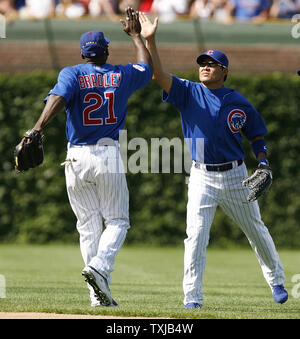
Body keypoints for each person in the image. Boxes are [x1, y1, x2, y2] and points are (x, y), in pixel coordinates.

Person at [139, 12, 288, 308]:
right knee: (194, 236)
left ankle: (276, 281)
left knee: (256, 231)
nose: (205, 67)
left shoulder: (238, 101)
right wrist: (150, 40)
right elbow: (157, 74)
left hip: (236, 175)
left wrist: (263, 161)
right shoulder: (187, 92)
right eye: (202, 64)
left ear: (224, 71)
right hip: (201, 176)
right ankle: (192, 298)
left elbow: (257, 135)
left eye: (211, 64)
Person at [23, 7, 152, 307]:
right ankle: (100, 269)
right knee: (118, 221)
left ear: (83, 54)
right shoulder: (120, 74)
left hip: (76, 158)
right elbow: (147, 68)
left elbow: (57, 99)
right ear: (106, 51)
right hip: (106, 155)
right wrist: (135, 36)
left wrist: (37, 128)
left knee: (88, 226)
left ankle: (98, 297)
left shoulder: (71, 73)